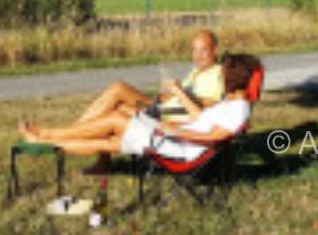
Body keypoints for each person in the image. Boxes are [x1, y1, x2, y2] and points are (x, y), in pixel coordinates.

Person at [19, 54, 259, 162]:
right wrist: (177, 97)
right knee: (110, 138)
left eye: (225, 73)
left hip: (178, 147)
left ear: (234, 78)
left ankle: (47, 135)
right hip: (174, 136)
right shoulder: (232, 104)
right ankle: (44, 140)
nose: (221, 77)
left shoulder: (239, 110)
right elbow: (201, 119)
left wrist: (175, 131)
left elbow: (214, 137)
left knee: (115, 120)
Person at [73, 29, 225, 125]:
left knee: (118, 91)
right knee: (116, 101)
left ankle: (71, 133)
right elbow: (182, 97)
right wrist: (169, 92)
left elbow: (209, 105)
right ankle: (80, 139)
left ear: (215, 51)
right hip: (161, 106)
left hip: (164, 116)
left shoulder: (217, 74)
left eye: (203, 50)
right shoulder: (197, 71)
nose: (197, 56)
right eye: (194, 50)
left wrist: (180, 92)